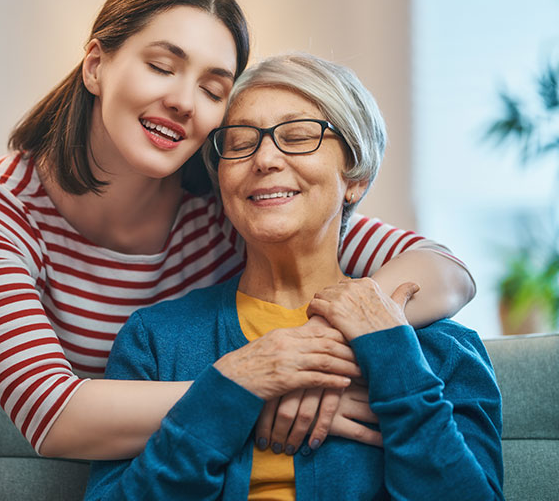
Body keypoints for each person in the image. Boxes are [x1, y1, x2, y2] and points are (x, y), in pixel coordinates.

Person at [0, 0, 476, 460]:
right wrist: (255, 386)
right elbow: (55, 418)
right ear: (95, 66)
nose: (183, 101)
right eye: (160, 67)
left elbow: (445, 271)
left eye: (213, 88)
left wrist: (316, 354)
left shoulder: (229, 203)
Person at [83, 53, 502, 500]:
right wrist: (231, 386)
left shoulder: (440, 348)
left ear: (355, 178)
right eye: (239, 143)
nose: (264, 159)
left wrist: (392, 358)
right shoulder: (155, 341)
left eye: (298, 137)